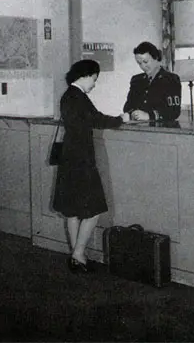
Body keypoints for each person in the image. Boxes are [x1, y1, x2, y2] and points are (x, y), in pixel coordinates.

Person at [53, 59, 130, 273]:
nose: (94, 84)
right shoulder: (78, 97)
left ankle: (76, 256)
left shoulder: (68, 96)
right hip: (82, 161)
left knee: (72, 211)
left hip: (70, 159)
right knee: (93, 210)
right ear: (85, 76)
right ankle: (78, 253)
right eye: (94, 79)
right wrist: (120, 119)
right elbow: (96, 119)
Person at [123, 41, 181, 122]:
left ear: (156, 58)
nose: (143, 66)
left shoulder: (171, 79)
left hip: (162, 130)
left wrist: (149, 115)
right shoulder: (136, 80)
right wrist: (132, 113)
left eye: (146, 62)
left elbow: (174, 111)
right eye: (139, 63)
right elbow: (127, 107)